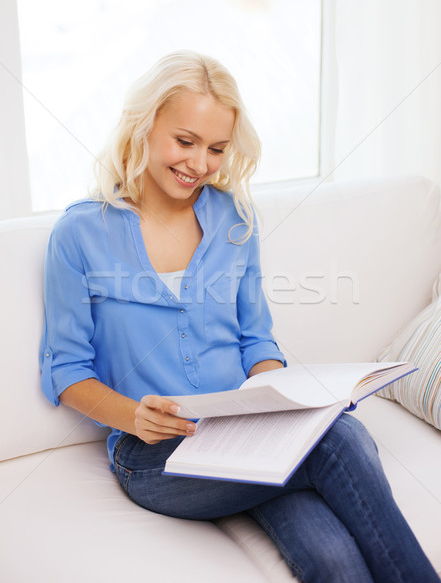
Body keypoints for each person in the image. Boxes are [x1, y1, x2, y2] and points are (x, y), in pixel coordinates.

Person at [39, 50, 439, 583]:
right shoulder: (79, 234)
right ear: (144, 128)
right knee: (341, 440)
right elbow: (67, 370)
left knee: (333, 558)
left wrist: (282, 403)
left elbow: (256, 340)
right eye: (185, 141)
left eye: (217, 148)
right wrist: (134, 416)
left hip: (246, 438)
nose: (199, 163)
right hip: (155, 458)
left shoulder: (234, 219)